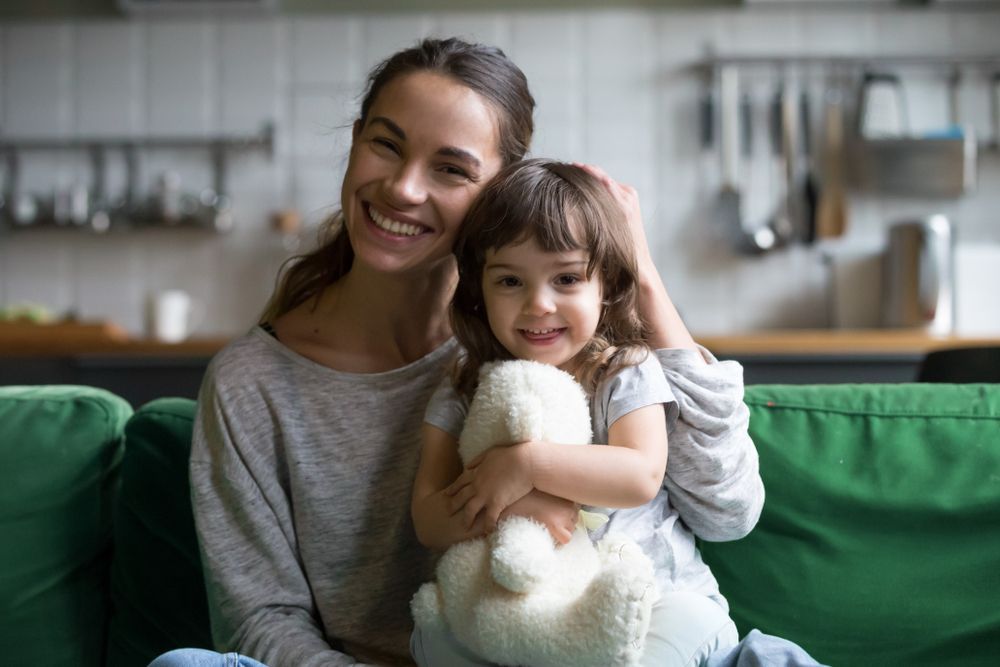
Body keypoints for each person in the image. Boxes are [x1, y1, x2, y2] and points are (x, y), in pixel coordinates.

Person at [150, 35, 771, 667]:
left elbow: (728, 512)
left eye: (450, 168)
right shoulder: (252, 382)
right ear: (356, 140)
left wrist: (639, 273)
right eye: (385, 145)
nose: (402, 188)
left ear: (499, 191)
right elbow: (260, 620)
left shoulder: (555, 342)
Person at [409, 158, 754, 667]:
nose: (539, 304)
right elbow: (428, 519)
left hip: (656, 604)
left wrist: (525, 466)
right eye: (509, 282)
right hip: (531, 620)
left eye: (566, 279)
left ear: (607, 286)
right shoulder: (464, 384)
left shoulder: (624, 370)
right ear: (479, 290)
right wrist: (507, 507)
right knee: (434, 640)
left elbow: (640, 474)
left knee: (681, 626)